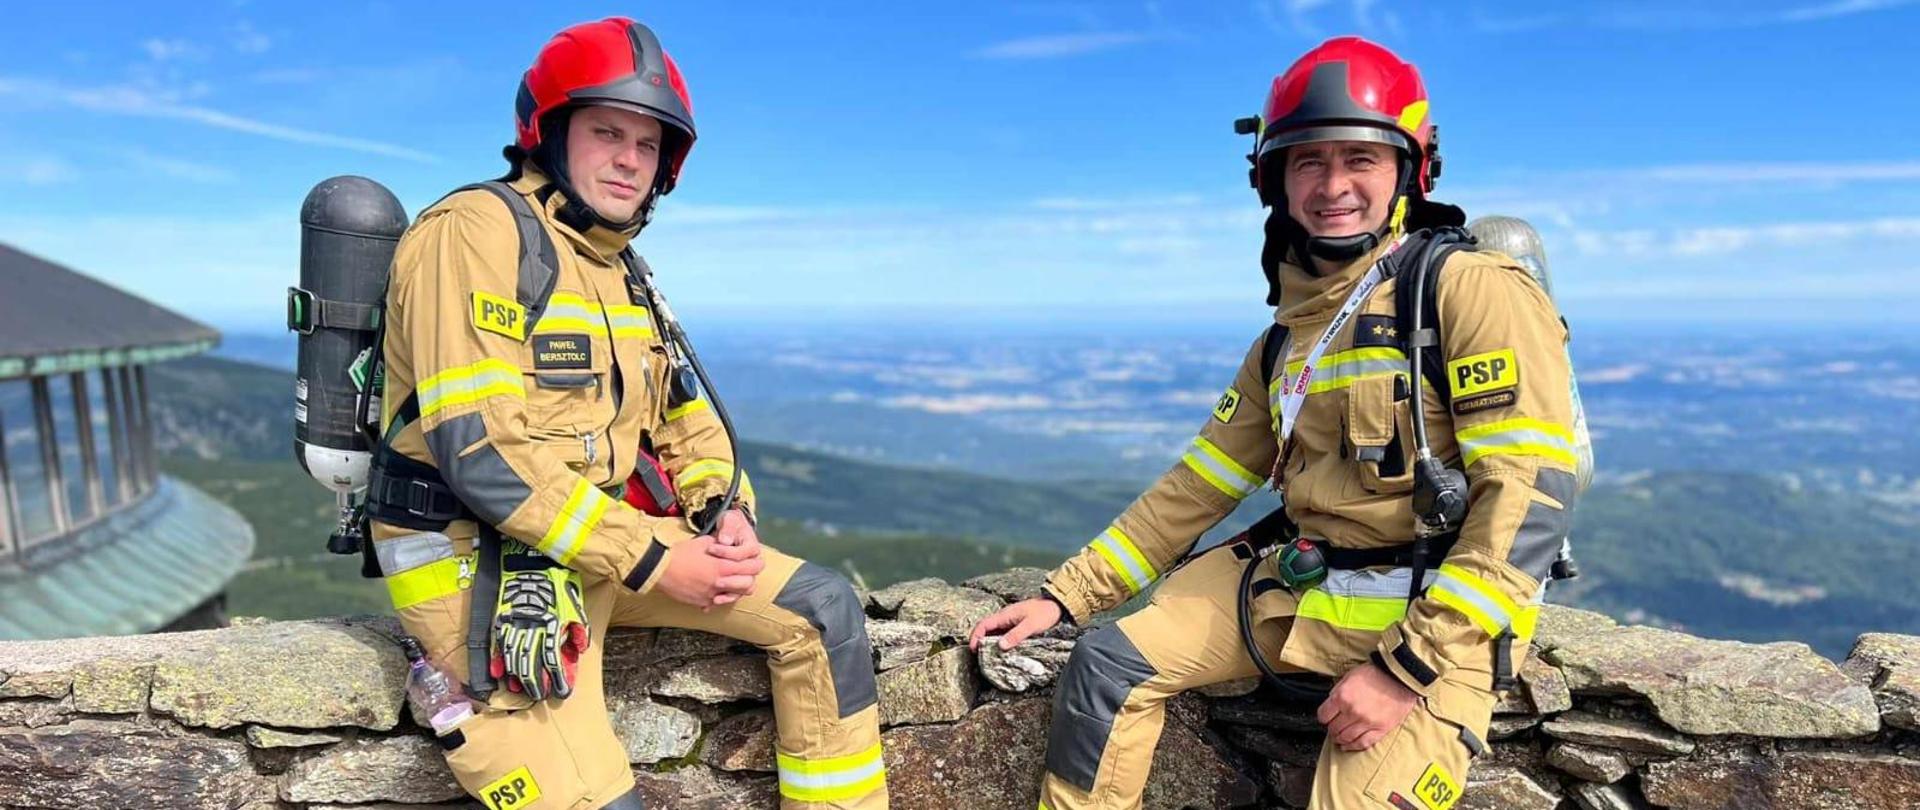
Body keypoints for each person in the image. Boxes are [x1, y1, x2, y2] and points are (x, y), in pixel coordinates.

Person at [970, 36, 1578, 809]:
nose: (1333, 185)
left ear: (1409, 169)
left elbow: (1529, 504)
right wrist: (1067, 597)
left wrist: (1407, 671)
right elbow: (1199, 484)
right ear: (1275, 180)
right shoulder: (1286, 341)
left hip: (1435, 621)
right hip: (1306, 588)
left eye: (1359, 158)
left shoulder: (1468, 290)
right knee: (1108, 666)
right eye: (1308, 162)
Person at [368, 17, 887, 810]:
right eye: (607, 132)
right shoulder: (474, 232)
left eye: (648, 145)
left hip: (603, 548)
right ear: (547, 133)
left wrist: (723, 513)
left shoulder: (618, 269)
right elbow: (482, 455)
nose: (629, 159)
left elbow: (685, 419)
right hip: (486, 570)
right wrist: (653, 559)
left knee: (820, 610)